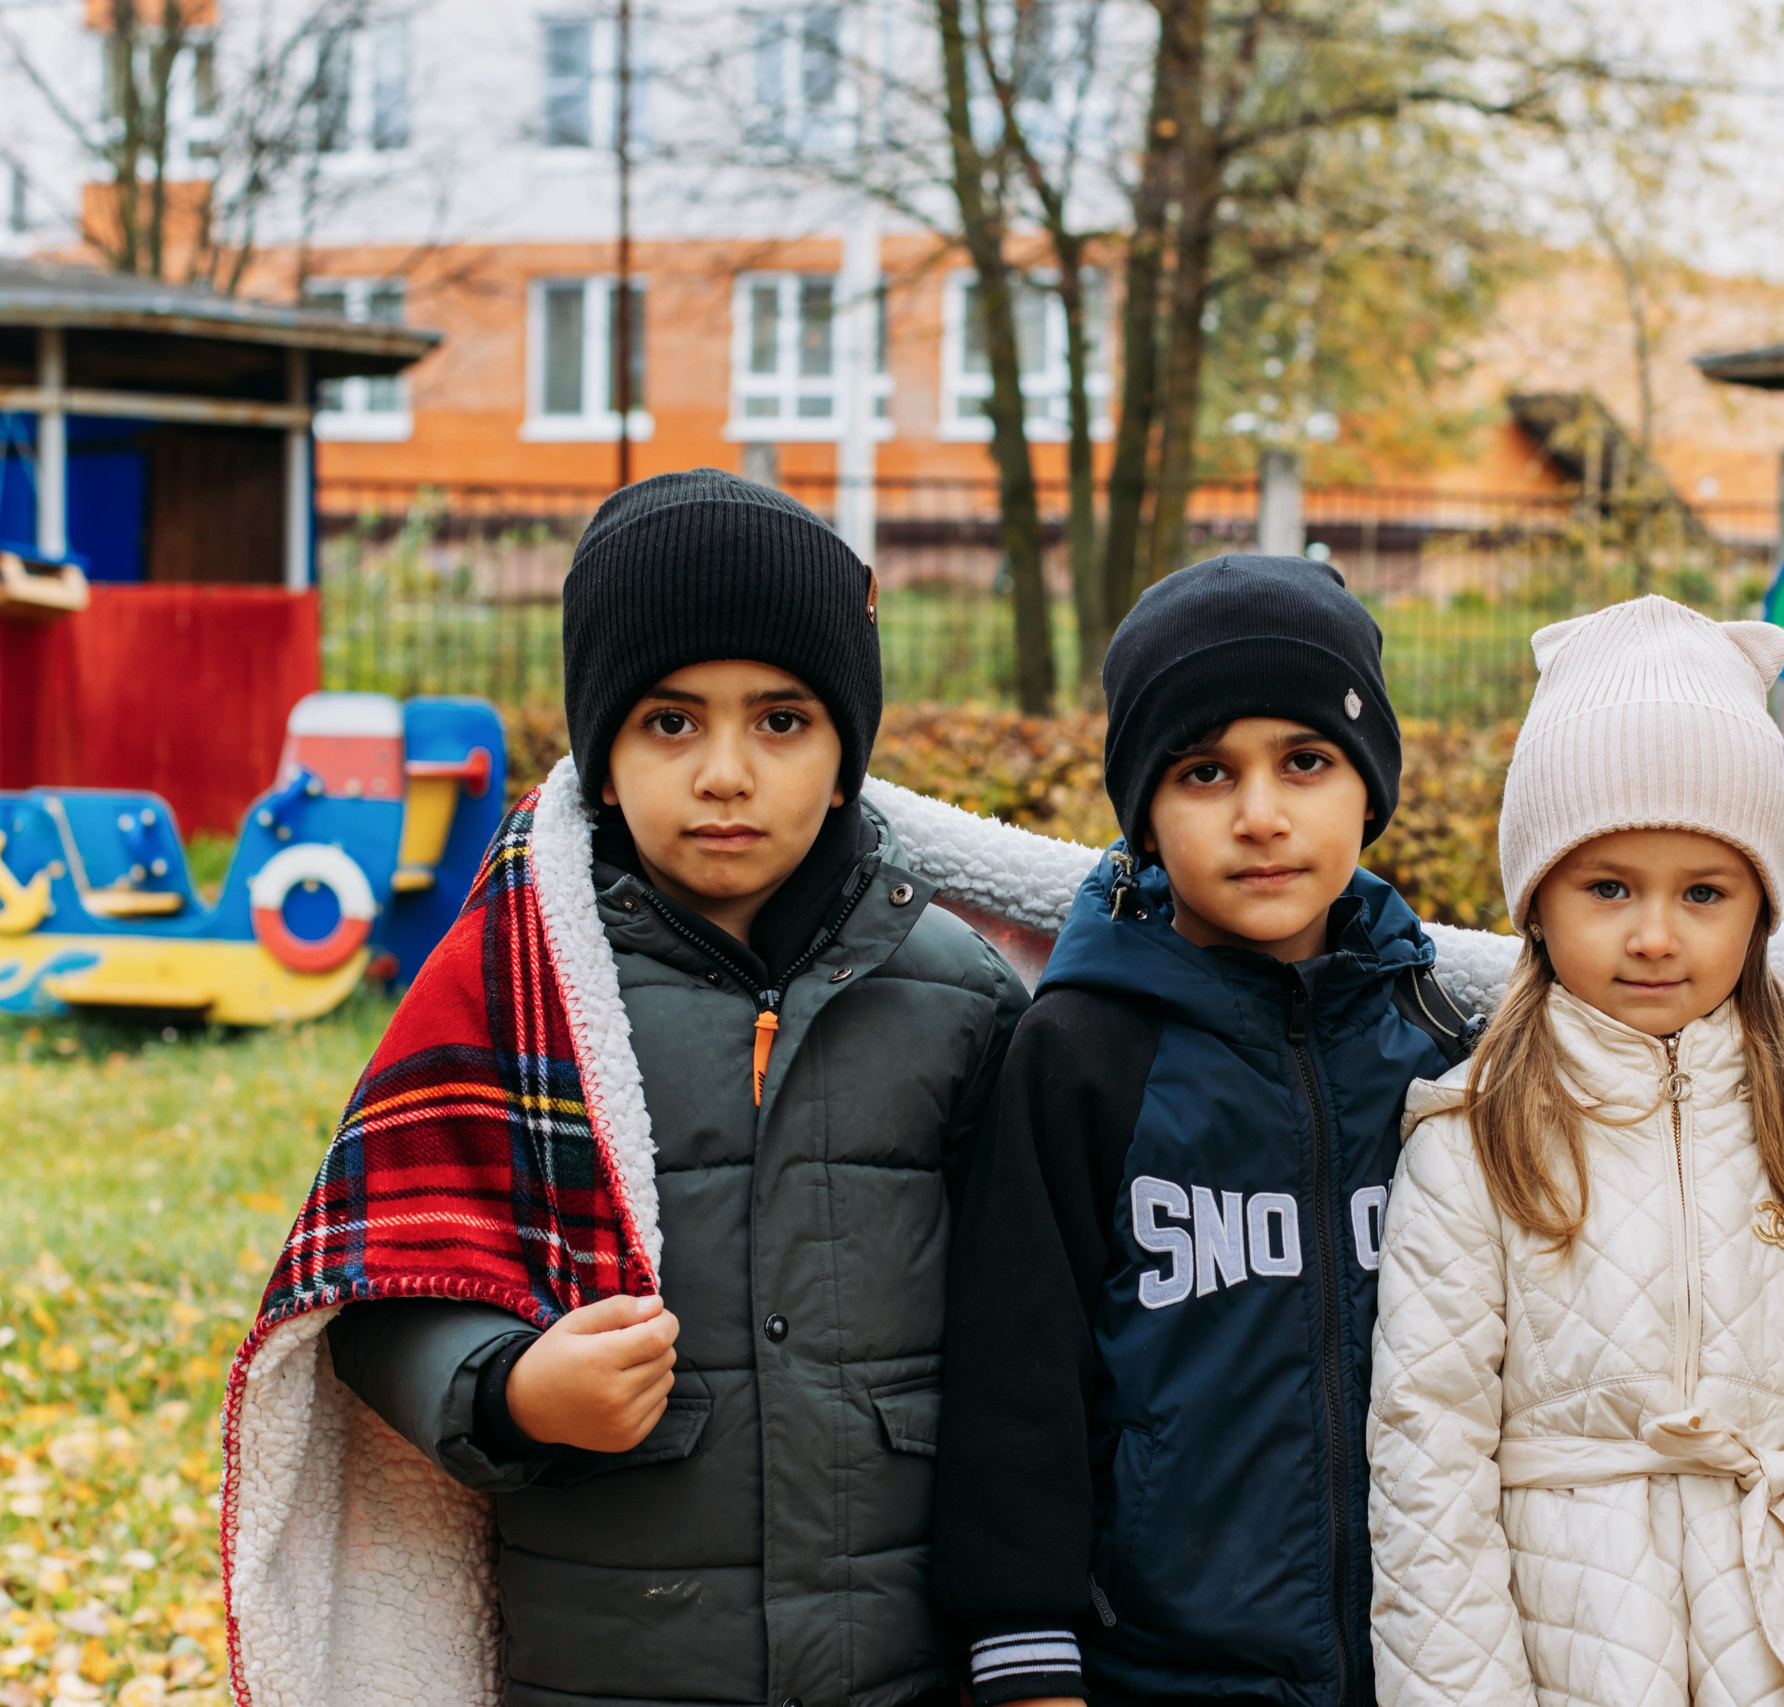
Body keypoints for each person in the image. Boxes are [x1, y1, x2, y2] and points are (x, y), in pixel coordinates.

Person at [222, 470, 1026, 1707]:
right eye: (669, 722)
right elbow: (376, 1286)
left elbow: (1034, 1315)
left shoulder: (958, 996)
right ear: (600, 757)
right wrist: (508, 1388)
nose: (723, 772)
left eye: (780, 720)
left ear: (846, 752)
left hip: (897, 1651)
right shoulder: (513, 983)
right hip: (613, 1653)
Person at [1368, 595, 1784, 1707]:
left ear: (1758, 910)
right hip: (1568, 1662)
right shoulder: (1472, 1146)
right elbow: (1428, 1471)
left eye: (1703, 892)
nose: (1654, 935)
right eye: (1607, 887)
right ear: (1536, 904)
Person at [933, 554, 1478, 1707]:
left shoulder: (1438, 1044)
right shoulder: (1082, 1050)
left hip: (1432, 1663)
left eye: (1306, 761)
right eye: (1203, 771)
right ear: (1145, 809)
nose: (1261, 814)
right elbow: (1014, 1382)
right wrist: (1025, 1651)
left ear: (1368, 789)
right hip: (1157, 1671)